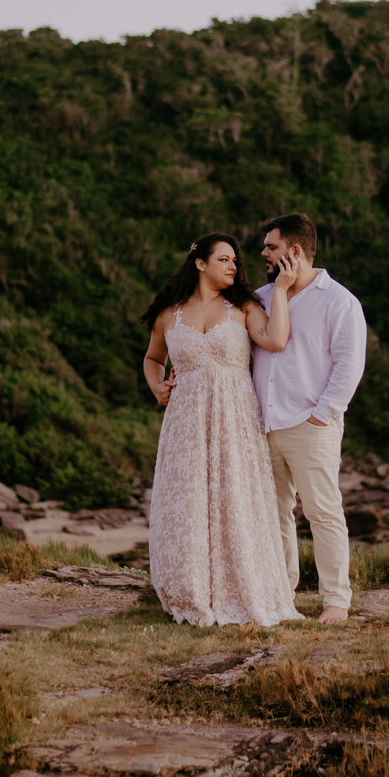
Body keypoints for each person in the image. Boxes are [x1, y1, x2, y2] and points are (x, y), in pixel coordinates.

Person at [141, 232, 304, 626]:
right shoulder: (169, 314)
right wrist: (157, 386)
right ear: (200, 263)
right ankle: (191, 589)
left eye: (235, 260)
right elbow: (152, 358)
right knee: (189, 500)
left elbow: (276, 339)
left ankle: (240, 587)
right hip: (185, 421)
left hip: (233, 418)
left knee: (235, 499)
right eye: (224, 259)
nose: (234, 265)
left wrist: (280, 289)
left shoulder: (245, 306)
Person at [252, 213, 366, 625]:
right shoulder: (261, 297)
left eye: (271, 247)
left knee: (323, 512)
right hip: (263, 425)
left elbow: (349, 365)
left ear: (294, 252)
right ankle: (283, 596)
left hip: (310, 425)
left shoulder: (339, 301)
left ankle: (336, 602)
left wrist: (322, 416)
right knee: (274, 512)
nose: (263, 253)